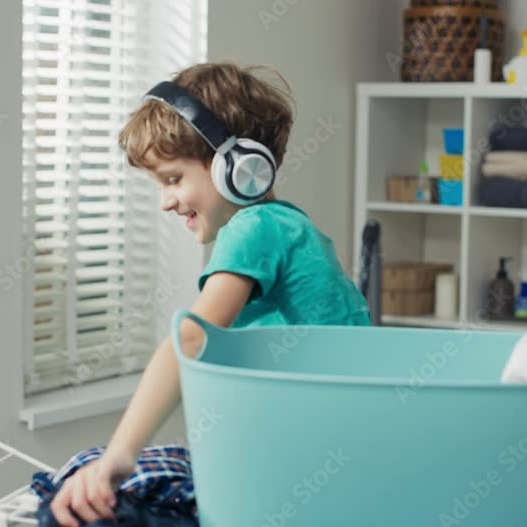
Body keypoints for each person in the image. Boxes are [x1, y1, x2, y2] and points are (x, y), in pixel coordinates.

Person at [49, 62, 370, 526]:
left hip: (303, 467)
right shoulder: (290, 226)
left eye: (174, 179)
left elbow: (194, 340)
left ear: (237, 166)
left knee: (86, 478)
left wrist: (118, 458)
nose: (165, 201)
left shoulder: (256, 226)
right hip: (326, 455)